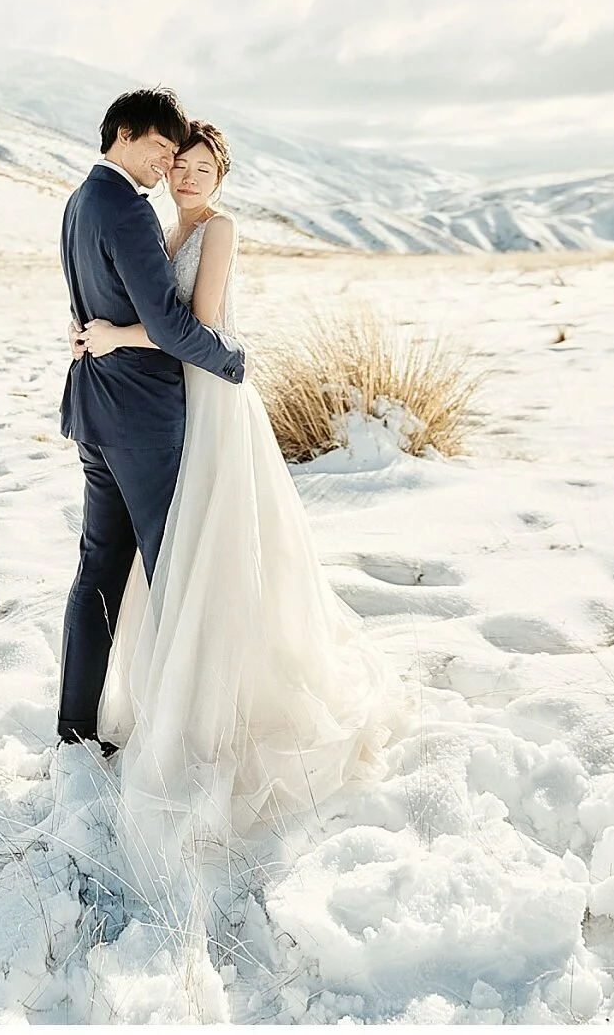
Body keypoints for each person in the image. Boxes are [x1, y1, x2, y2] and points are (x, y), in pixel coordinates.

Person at [71, 118, 402, 899]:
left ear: (222, 179)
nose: (186, 176)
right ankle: (165, 697)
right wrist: (104, 334)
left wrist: (115, 336)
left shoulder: (217, 232)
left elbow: (200, 328)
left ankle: (219, 707)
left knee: (209, 552)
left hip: (211, 401)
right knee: (181, 554)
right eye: (179, 163)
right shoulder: (153, 223)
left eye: (201, 168)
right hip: (166, 406)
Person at [56, 88, 248, 756]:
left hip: (96, 411)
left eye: (182, 156)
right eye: (163, 150)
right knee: (175, 575)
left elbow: (94, 304)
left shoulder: (80, 200)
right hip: (143, 418)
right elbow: (172, 326)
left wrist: (101, 337)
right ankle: (181, 737)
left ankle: (75, 732)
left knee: (100, 572)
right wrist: (230, 356)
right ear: (125, 134)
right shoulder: (132, 212)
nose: (168, 166)